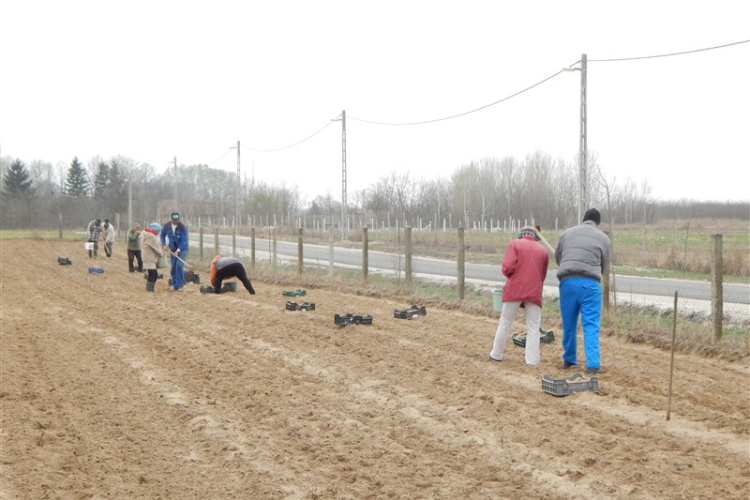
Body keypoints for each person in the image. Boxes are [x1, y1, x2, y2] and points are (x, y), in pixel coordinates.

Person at [555, 208, 611, 374]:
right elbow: (604, 264)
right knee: (591, 325)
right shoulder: (604, 238)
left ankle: (569, 359)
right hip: (590, 285)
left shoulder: (566, 234)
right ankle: (593, 364)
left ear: (584, 219)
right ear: (597, 223)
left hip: (568, 282)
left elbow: (558, 257)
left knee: (569, 323)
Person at [489, 226, 549, 366]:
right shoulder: (543, 251)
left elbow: (507, 268)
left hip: (515, 289)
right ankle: (532, 361)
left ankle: (496, 354)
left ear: (521, 235)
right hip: (534, 291)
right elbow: (543, 274)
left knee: (505, 322)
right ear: (534, 236)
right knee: (534, 326)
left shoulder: (515, 244)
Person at [159, 211, 189, 291]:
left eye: (177, 220)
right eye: (174, 220)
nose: (175, 221)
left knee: (179, 266)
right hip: (172, 249)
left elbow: (184, 241)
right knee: (174, 267)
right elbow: (162, 235)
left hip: (182, 249)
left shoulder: (182, 227)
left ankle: (180, 285)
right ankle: (175, 285)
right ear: (171, 219)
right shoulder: (167, 226)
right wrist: (164, 244)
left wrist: (178, 250)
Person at [141, 222, 164, 292]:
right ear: (155, 230)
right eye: (158, 231)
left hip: (145, 256)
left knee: (152, 273)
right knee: (153, 274)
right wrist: (161, 254)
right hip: (150, 257)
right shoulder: (151, 236)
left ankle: (150, 288)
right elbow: (156, 247)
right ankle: (150, 289)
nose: (159, 233)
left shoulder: (145, 233)